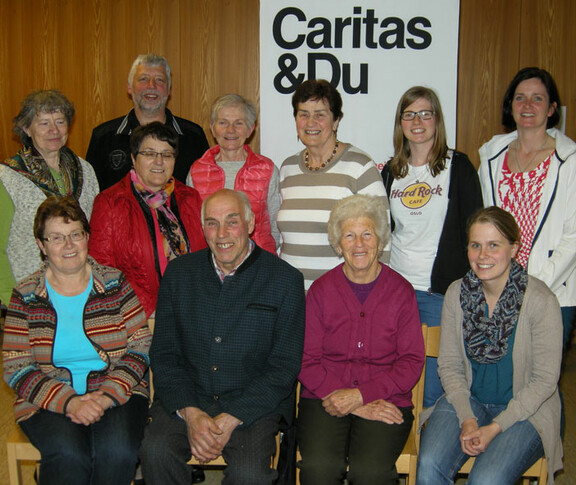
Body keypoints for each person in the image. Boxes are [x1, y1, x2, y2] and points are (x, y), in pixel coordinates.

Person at [140, 189, 305, 485]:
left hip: (252, 404)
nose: (222, 234)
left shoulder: (285, 280)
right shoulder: (178, 275)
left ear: (251, 223)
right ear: (203, 228)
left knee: (250, 476)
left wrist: (232, 418)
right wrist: (191, 413)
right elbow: (164, 354)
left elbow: (284, 367)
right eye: (212, 223)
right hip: (188, 396)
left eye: (232, 222)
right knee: (155, 452)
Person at [2, 195, 151, 485]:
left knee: (117, 452)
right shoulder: (26, 295)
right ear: (42, 245)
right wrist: (68, 400)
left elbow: (140, 347)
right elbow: (16, 365)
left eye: (75, 235)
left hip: (117, 391)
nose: (68, 246)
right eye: (56, 238)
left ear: (87, 238)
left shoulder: (114, 283)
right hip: (47, 397)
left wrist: (106, 396)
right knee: (70, 455)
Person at [415, 207, 562, 485]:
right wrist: (467, 419)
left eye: (494, 245)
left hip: (527, 410)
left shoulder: (541, 301)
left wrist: (496, 427)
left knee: (487, 481)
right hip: (468, 400)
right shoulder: (457, 293)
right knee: (429, 464)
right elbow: (449, 365)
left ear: (514, 248)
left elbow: (544, 381)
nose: (483, 256)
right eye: (476, 245)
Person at [297, 194, 424, 485]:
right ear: (338, 244)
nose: (359, 244)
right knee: (319, 469)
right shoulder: (320, 291)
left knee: (371, 474)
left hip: (387, 397)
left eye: (367, 234)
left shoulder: (402, 292)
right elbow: (306, 360)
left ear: (380, 241)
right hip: (323, 395)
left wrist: (360, 395)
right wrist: (352, 401)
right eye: (350, 236)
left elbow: (411, 362)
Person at [381, 86, 483, 407]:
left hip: (440, 293)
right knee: (398, 377)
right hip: (397, 292)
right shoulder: (390, 171)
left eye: (426, 113)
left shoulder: (458, 166)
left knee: (436, 388)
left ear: (437, 120)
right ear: (400, 123)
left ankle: (429, 450)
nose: (418, 121)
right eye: (409, 114)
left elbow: (475, 229)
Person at [479, 67, 576, 351]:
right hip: (497, 288)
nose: (528, 105)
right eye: (520, 98)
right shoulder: (491, 157)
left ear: (551, 108)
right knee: (506, 377)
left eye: (537, 98)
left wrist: (530, 288)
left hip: (552, 289)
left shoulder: (569, 161)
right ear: (510, 106)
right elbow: (487, 227)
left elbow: (573, 237)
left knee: (541, 380)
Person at [277, 79, 389, 291]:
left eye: (320, 114)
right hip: (291, 296)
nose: (310, 123)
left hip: (340, 297)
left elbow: (382, 238)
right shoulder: (287, 168)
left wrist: (375, 293)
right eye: (303, 114)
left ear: (336, 121)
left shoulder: (359, 167)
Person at [89, 122, 206, 318]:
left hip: (191, 311)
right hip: (137, 317)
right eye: (150, 154)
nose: (159, 161)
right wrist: (146, 311)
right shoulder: (109, 203)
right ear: (133, 158)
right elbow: (100, 269)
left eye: (167, 155)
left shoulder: (191, 198)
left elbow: (204, 259)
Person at [0, 90, 99, 304]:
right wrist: (10, 298)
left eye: (60, 121)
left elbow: (94, 231)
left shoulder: (86, 170)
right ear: (27, 128)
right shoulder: (7, 177)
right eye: (44, 123)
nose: (54, 130)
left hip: (80, 290)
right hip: (27, 294)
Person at [86, 53, 209, 190]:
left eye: (159, 80)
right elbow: (92, 195)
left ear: (169, 89)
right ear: (129, 87)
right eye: (143, 79)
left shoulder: (194, 137)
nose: (151, 86)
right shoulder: (104, 137)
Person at [187, 94, 280, 253]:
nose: (230, 130)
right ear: (212, 128)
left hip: (258, 261)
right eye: (223, 123)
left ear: (250, 129)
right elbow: (195, 227)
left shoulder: (267, 169)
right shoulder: (197, 171)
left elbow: (275, 226)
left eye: (239, 123)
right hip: (212, 262)